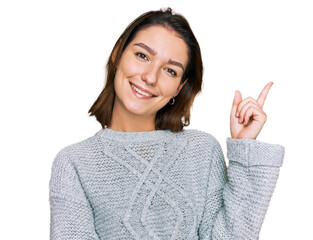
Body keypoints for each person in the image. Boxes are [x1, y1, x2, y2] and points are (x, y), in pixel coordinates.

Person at [49, 7, 285, 240]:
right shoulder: (74, 164)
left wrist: (244, 150)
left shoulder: (202, 151)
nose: (150, 77)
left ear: (179, 88)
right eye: (142, 56)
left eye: (170, 71)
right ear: (118, 52)